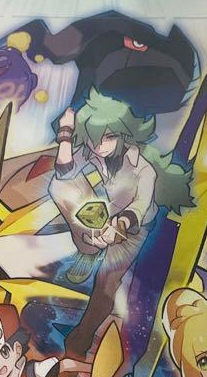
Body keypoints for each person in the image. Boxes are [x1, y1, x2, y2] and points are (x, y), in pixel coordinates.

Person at [50, 90, 192, 358]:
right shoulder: (92, 152)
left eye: (108, 138)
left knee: (106, 284)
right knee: (60, 186)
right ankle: (88, 248)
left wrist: (119, 227)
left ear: (124, 133)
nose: (99, 146)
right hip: (101, 215)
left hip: (131, 229)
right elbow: (64, 171)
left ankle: (80, 340)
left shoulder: (144, 169)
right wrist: (66, 133)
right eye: (94, 139)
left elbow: (139, 207)